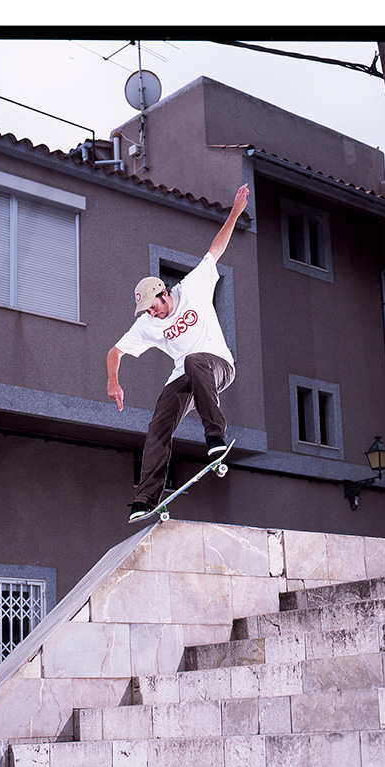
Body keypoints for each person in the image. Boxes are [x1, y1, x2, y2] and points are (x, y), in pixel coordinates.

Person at [106, 183, 250, 521]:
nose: (152, 315)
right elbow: (115, 351)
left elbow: (216, 249)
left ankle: (215, 435)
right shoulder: (146, 325)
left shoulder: (194, 285)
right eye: (148, 313)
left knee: (193, 359)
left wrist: (235, 212)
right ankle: (145, 498)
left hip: (218, 366)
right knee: (158, 425)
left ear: (163, 293)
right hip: (185, 375)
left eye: (153, 308)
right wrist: (114, 380)